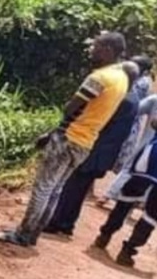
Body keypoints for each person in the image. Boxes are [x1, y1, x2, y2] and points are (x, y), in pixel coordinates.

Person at [0, 32, 128, 247]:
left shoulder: (99, 78)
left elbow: (70, 108)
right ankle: (32, 235)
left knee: (42, 188)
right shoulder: (121, 78)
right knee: (55, 189)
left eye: (96, 46)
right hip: (85, 142)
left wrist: (54, 133)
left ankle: (23, 234)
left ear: (108, 50)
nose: (92, 50)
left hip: (68, 138)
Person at [43, 61, 140, 236]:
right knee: (78, 190)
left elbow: (101, 123)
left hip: (95, 150)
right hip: (104, 154)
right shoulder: (133, 99)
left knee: (71, 187)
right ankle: (66, 224)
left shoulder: (123, 99)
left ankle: (57, 222)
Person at [92, 131, 157, 268]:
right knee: (150, 217)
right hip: (148, 171)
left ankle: (104, 235)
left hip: (143, 169)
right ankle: (127, 251)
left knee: (123, 205)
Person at [100, 55, 156, 207]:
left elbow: (133, 109)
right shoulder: (152, 97)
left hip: (146, 143)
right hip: (145, 141)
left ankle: (109, 196)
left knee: (130, 167)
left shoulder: (150, 94)